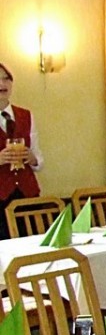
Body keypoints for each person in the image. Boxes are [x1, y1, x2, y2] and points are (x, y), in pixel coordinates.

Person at [0, 63, 43, 239]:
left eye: (6, 79)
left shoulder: (26, 115)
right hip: (1, 199)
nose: (2, 84)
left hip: (27, 196)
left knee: (33, 246)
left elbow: (39, 159)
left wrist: (32, 159)